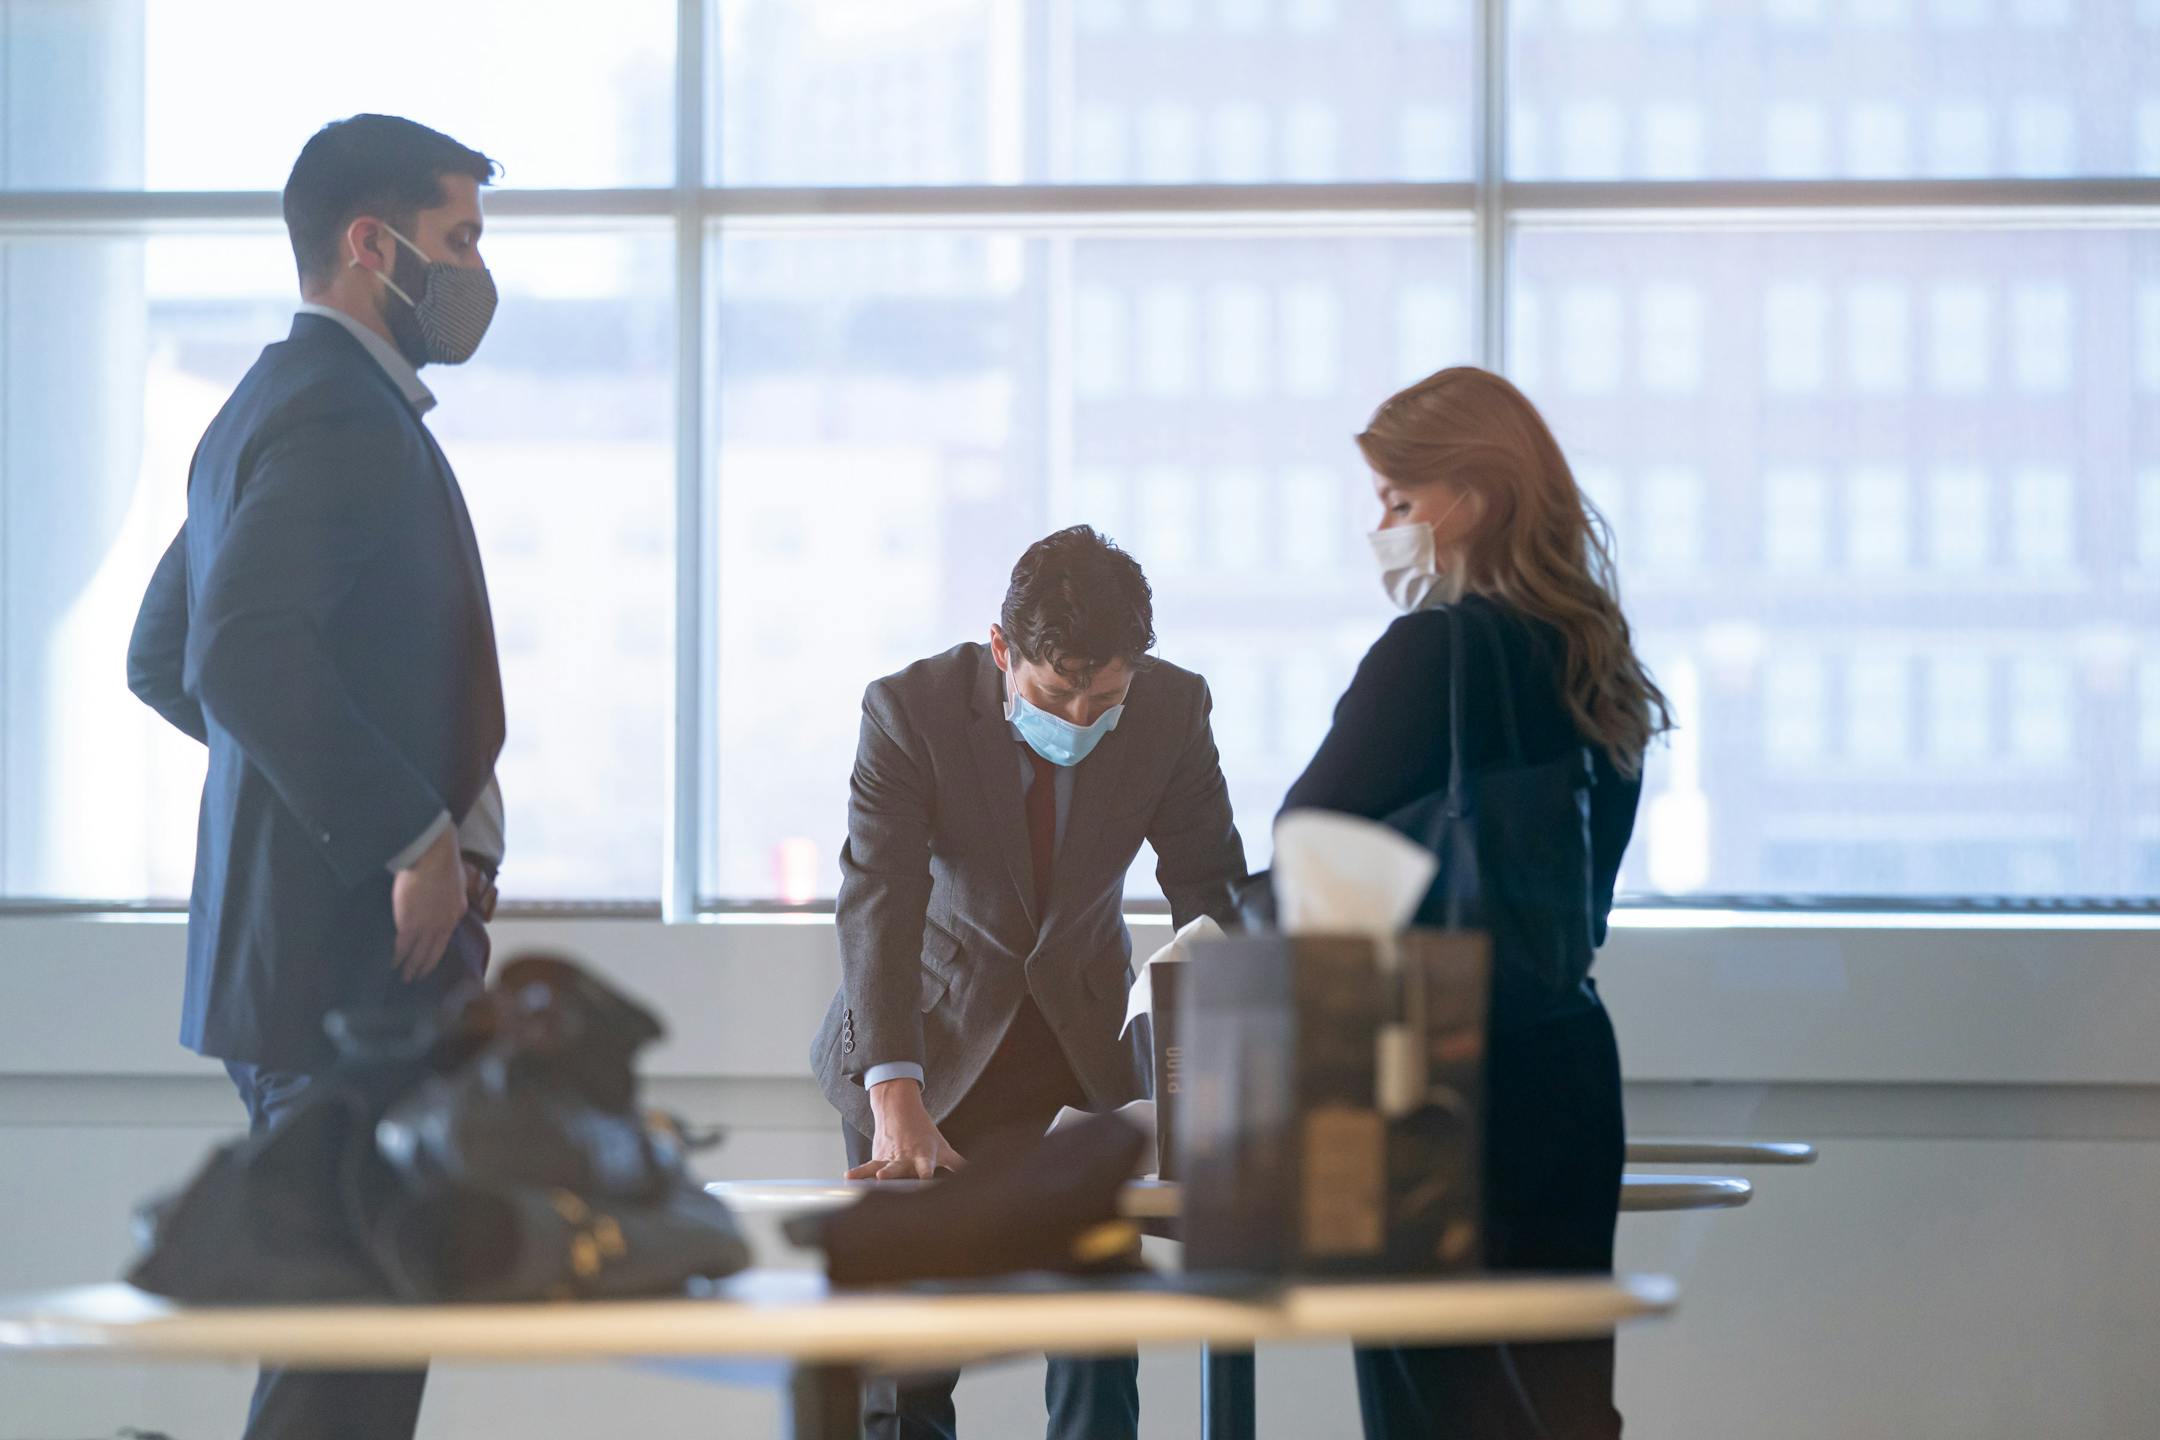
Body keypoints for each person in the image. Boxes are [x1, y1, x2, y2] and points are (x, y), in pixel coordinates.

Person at [124, 114, 509, 1440]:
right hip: (352, 978)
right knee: (349, 1364)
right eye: (458, 238)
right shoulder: (342, 417)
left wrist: (302, 809)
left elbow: (166, 656)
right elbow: (232, 656)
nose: (475, 268)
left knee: (345, 1350)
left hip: (301, 970)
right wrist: (408, 833)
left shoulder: (260, 408)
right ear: (372, 244)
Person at [1280, 367, 1672, 1440]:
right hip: (1567, 1064)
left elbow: (1311, 845)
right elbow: (1580, 901)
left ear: (1477, 500)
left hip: (1425, 1076)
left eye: (1399, 502)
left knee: (1433, 1406)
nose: (1383, 528)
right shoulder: (1596, 659)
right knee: (1558, 1406)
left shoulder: (1433, 651)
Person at [810, 524, 1247, 1440]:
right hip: (924, 1045)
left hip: (1078, 1057)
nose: (1081, 720)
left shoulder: (1172, 711)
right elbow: (879, 902)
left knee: (1095, 1339)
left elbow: (1208, 892)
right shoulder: (909, 710)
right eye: (1057, 694)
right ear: (1004, 650)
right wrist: (895, 1095)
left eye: (1106, 696)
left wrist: (1226, 1075)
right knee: (910, 1361)